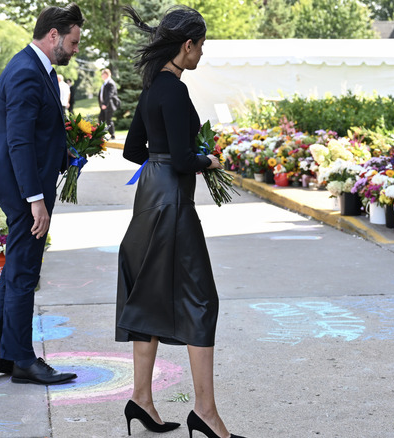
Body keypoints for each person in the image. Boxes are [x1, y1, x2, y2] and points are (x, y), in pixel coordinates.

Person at [117, 6, 245, 438]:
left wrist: (174, 153)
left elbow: (134, 150)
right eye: (201, 45)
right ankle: (205, 413)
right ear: (187, 45)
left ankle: (141, 398)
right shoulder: (172, 90)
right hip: (172, 203)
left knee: (149, 293)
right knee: (201, 299)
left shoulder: (153, 88)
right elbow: (183, 158)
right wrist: (207, 158)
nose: (202, 53)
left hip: (147, 199)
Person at [0, 3, 84, 386]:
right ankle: (23, 360)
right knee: (25, 272)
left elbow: (37, 130)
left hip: (26, 186)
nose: (75, 50)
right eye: (73, 42)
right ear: (54, 35)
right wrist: (35, 199)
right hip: (25, 190)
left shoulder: (35, 68)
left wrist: (66, 151)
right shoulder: (27, 72)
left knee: (13, 270)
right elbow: (20, 141)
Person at [98, 68, 118, 140]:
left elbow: (110, 95)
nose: (101, 76)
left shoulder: (110, 83)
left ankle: (112, 134)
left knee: (108, 119)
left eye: (102, 74)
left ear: (106, 74)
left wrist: (105, 104)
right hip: (103, 105)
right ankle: (101, 135)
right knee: (101, 119)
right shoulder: (105, 83)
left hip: (109, 105)